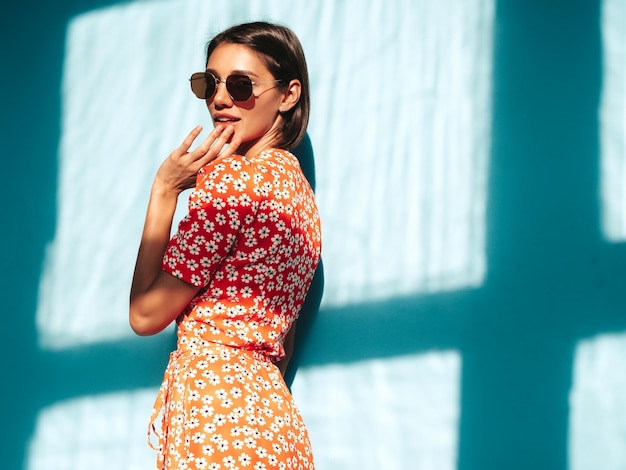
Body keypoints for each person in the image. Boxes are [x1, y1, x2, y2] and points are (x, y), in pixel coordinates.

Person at [129, 21, 321, 470]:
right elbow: (284, 345)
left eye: (240, 86)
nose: (219, 99)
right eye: (209, 84)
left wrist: (164, 191)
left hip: (216, 415)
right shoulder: (303, 202)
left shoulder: (231, 181)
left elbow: (144, 314)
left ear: (288, 94)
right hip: (276, 425)